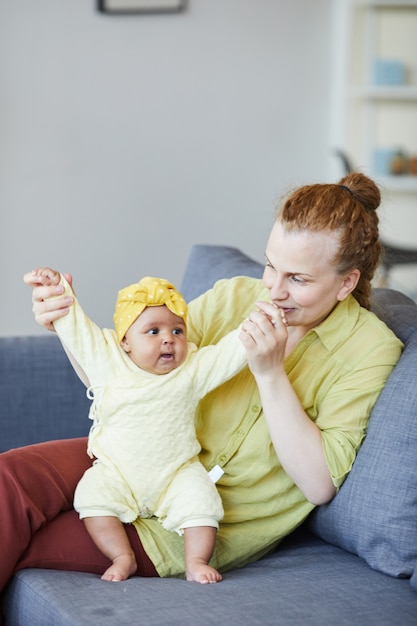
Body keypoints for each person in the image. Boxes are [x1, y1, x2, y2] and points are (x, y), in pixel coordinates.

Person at [1, 172, 403, 592]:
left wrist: (269, 374)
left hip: (199, 520)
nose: (274, 291)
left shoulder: (369, 351)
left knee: (29, 542)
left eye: (298, 279)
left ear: (347, 282)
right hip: (131, 454)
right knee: (9, 478)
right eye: (271, 266)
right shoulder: (235, 297)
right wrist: (65, 327)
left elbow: (319, 483)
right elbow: (127, 377)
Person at [25, 271, 247, 584]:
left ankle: (195, 561)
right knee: (91, 497)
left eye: (177, 330)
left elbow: (230, 353)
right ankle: (122, 556)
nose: (168, 338)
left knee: (202, 502)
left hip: (177, 473)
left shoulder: (192, 368)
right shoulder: (108, 360)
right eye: (153, 331)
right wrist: (57, 291)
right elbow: (78, 332)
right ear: (125, 342)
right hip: (117, 472)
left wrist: (261, 325)